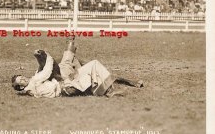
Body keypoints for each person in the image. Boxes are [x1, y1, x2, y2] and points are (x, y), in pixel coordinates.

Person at [12, 39, 143, 98]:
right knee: (84, 63)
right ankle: (108, 91)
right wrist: (46, 55)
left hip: (65, 79)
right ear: (22, 87)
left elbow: (42, 72)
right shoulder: (33, 83)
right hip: (65, 86)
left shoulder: (33, 82)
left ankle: (110, 88)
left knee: (82, 59)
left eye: (22, 77)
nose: (24, 78)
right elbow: (46, 72)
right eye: (21, 81)